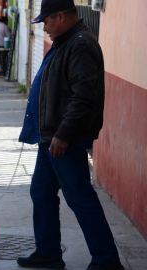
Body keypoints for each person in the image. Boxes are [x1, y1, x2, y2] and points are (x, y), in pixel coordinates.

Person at [17, 1, 125, 270]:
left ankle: (107, 261)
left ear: (61, 16)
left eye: (47, 21)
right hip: (51, 138)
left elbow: (83, 96)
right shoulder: (65, 41)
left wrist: (64, 134)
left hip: (64, 139)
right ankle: (48, 253)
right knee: (41, 192)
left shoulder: (80, 44)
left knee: (80, 198)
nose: (45, 27)